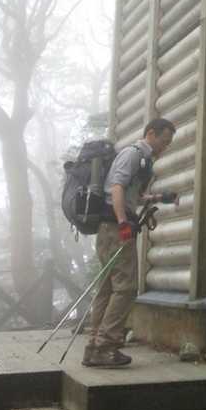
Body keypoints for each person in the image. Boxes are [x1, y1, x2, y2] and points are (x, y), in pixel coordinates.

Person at [82, 117, 176, 368]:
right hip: (115, 228)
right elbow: (116, 188)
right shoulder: (133, 154)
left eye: (169, 143)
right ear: (151, 133)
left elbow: (132, 194)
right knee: (125, 288)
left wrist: (160, 197)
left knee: (107, 288)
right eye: (164, 141)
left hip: (110, 228)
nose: (165, 147)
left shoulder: (142, 159)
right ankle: (106, 346)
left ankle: (94, 348)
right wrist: (123, 222)